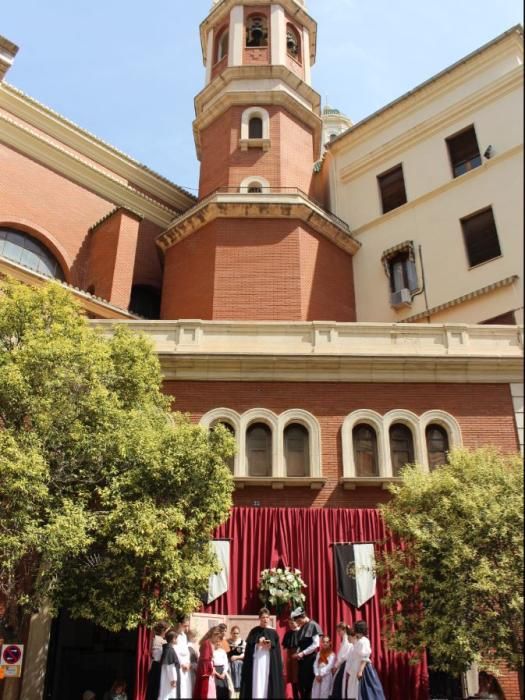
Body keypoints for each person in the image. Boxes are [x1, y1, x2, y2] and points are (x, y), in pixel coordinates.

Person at [240, 607, 285, 699]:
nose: (265, 619)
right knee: (257, 679)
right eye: (263, 617)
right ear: (259, 618)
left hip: (269, 660)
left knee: (267, 679)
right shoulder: (254, 631)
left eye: (267, 617)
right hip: (257, 661)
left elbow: (276, 650)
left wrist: (270, 646)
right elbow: (249, 648)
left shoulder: (273, 632)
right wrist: (257, 644)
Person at [344, 620, 385, 700]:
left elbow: (365, 658)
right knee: (353, 693)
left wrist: (360, 671)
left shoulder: (364, 641)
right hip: (355, 670)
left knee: (365, 692)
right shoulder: (359, 641)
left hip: (362, 670)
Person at [291, 607, 323, 700]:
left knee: (309, 684)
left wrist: (302, 653)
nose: (298, 623)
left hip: (311, 659)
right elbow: (301, 644)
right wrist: (298, 653)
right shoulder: (302, 627)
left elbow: (315, 644)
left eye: (298, 621)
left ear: (302, 618)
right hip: (303, 660)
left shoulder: (313, 625)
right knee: (302, 683)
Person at [194, 626, 222, 699]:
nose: (217, 640)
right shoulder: (207, 643)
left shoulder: (209, 643)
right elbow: (205, 660)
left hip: (208, 669)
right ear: (214, 635)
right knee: (205, 691)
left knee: (210, 690)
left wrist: (213, 668)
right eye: (217, 637)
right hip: (205, 671)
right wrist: (210, 669)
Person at [147, 621, 169, 700]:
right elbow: (158, 655)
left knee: (154, 688)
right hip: (157, 666)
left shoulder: (157, 639)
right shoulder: (159, 640)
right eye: (166, 630)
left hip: (156, 665)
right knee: (155, 688)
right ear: (163, 630)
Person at [330, 623, 353, 700]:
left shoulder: (346, 639)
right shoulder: (345, 639)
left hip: (345, 664)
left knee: (339, 685)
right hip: (343, 664)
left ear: (344, 630)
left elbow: (343, 656)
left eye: (339, 631)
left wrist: (336, 666)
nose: (338, 633)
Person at [159, 631, 181, 700]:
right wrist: (173, 680)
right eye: (176, 638)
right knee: (168, 695)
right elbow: (170, 667)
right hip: (169, 679)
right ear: (173, 639)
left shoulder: (167, 649)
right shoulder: (170, 650)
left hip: (167, 677)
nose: (177, 640)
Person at [175, 620, 193, 699]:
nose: (187, 628)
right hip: (180, 664)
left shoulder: (184, 636)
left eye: (188, 626)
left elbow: (187, 651)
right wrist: (182, 664)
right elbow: (176, 652)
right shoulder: (176, 636)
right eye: (185, 626)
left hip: (186, 664)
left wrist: (188, 663)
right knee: (181, 685)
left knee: (187, 685)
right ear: (180, 624)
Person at [282, 618, 300, 700]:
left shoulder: (302, 632)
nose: (291, 625)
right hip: (290, 659)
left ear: (297, 622)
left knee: (300, 678)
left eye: (292, 623)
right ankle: (295, 696)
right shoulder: (288, 634)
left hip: (300, 658)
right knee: (293, 679)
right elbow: (285, 648)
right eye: (289, 623)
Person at [227, 625, 246, 694]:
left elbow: (245, 654)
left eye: (237, 633)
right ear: (231, 633)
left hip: (239, 666)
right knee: (230, 683)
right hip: (229, 665)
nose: (235, 635)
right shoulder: (227, 642)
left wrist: (236, 657)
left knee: (239, 683)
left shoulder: (243, 642)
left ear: (239, 633)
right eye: (234, 633)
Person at [213, 635, 231, 699]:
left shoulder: (223, 652)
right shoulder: (212, 652)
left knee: (224, 690)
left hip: (222, 671)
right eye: (216, 641)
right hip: (215, 672)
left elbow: (226, 663)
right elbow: (211, 664)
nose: (218, 643)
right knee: (217, 690)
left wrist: (223, 673)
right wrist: (216, 673)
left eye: (219, 641)